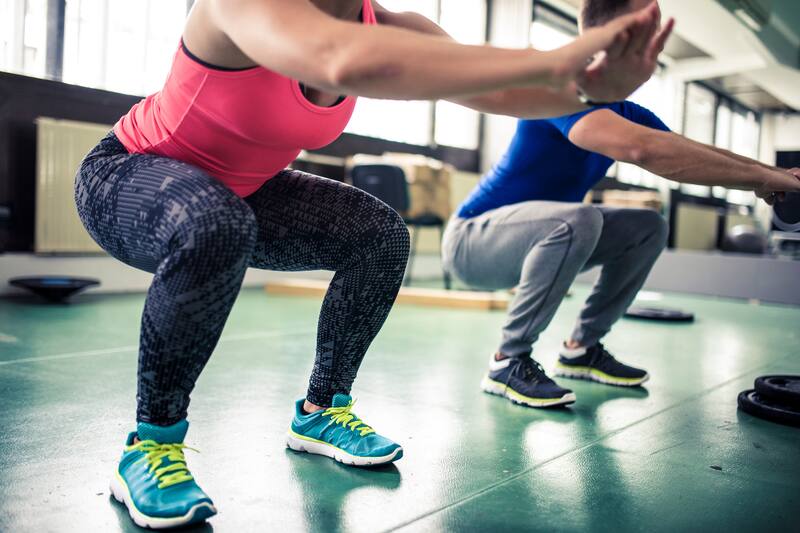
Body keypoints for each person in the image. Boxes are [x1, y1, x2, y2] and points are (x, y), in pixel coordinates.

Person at [75, 0, 671, 527]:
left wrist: (594, 86)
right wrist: (569, 55)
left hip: (240, 191)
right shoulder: (243, 5)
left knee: (380, 235)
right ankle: (149, 446)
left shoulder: (387, 24)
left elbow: (495, 92)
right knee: (215, 224)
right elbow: (338, 58)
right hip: (127, 175)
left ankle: (321, 411)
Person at [442, 0, 800, 410]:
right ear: (621, 42)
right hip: (471, 241)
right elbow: (641, 149)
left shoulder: (625, 112)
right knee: (579, 219)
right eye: (650, 44)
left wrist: (770, 175)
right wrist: (765, 177)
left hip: (532, 236)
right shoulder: (557, 90)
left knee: (647, 226)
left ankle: (581, 350)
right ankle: (507, 361)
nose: (654, 58)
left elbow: (684, 151)